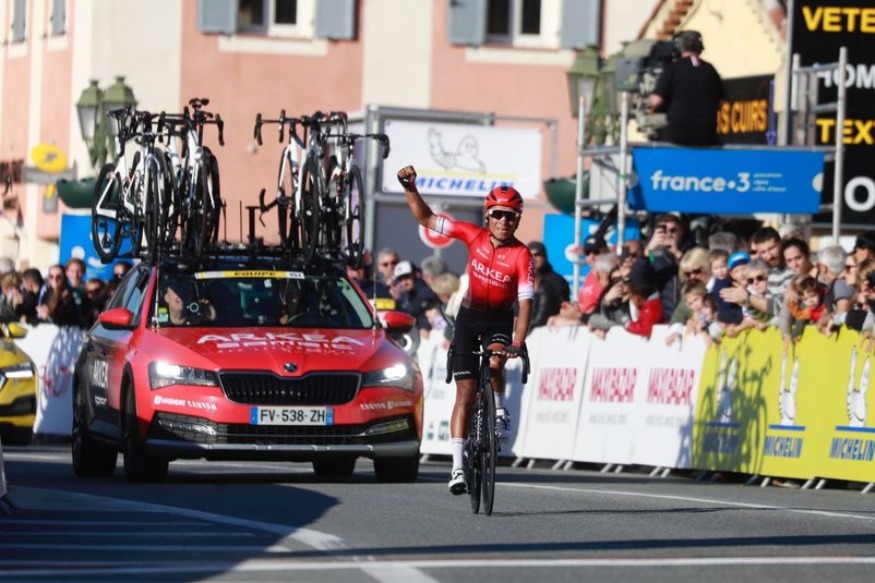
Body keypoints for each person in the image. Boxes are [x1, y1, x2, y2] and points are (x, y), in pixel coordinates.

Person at [397, 165, 534, 496]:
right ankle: (458, 467)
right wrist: (410, 188)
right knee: (465, 394)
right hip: (469, 318)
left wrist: (518, 340)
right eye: (498, 214)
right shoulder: (472, 235)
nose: (504, 221)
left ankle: (498, 409)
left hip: (499, 320)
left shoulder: (522, 254)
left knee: (496, 362)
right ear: (488, 215)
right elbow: (426, 218)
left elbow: (526, 302)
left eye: (511, 216)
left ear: (517, 220)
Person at [648, 30, 726, 146]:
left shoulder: (673, 69)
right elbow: (721, 102)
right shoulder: (710, 69)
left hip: (678, 135)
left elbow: (656, 101)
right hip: (707, 135)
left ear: (679, 47)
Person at [528, 241, 570, 329]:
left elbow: (563, 308)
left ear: (544, 257)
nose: (533, 258)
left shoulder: (557, 281)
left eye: (537, 255)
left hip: (548, 330)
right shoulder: (522, 280)